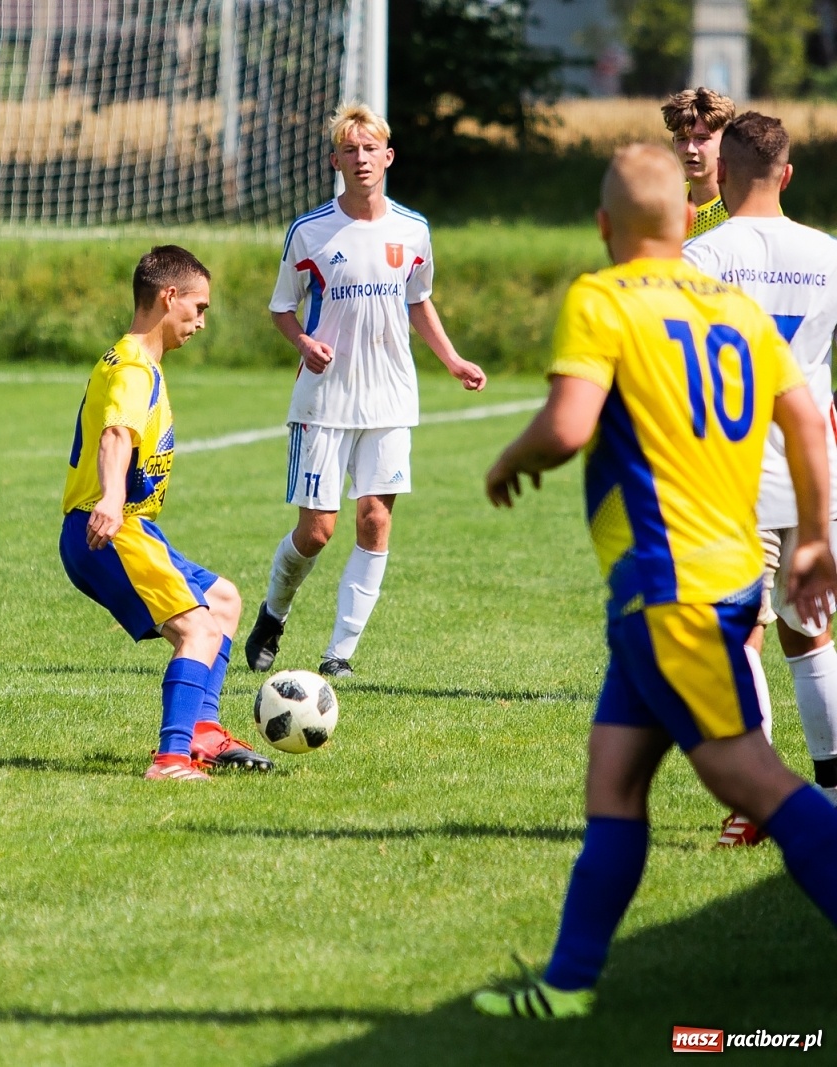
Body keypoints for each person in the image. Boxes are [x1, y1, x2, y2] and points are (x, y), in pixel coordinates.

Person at [472, 143, 837, 1019]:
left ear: (603, 226)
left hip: (674, 586)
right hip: (686, 581)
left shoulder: (601, 297)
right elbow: (805, 420)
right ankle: (565, 986)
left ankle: (566, 983)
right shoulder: (736, 309)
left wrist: (512, 457)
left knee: (754, 779)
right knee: (614, 778)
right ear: (685, 220)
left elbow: (567, 426)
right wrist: (819, 534)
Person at [244, 103, 486, 678]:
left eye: (370, 148)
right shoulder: (309, 231)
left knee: (375, 518)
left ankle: (339, 656)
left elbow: (418, 300)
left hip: (390, 396)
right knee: (317, 530)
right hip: (323, 400)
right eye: (349, 150)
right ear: (336, 160)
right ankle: (273, 613)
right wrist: (303, 343)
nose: (361, 158)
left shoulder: (414, 229)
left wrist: (451, 359)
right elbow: (281, 308)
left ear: (388, 155)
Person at [59, 246, 272, 780]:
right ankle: (172, 759)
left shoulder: (135, 360)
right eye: (197, 308)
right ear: (167, 296)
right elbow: (116, 434)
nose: (201, 321)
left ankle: (203, 731)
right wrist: (110, 498)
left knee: (222, 601)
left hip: (128, 527)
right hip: (112, 527)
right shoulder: (134, 367)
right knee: (197, 631)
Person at [685, 112, 837, 847]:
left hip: (734, 471)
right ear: (788, 172)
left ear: (722, 172)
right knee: (812, 634)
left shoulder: (701, 255)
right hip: (815, 466)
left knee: (739, 637)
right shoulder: (829, 253)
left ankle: (758, 803)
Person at [662, 87, 735, 239]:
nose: (690, 149)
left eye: (702, 138)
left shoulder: (743, 205)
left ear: (726, 142)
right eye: (682, 139)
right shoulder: (666, 203)